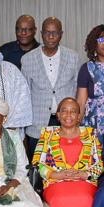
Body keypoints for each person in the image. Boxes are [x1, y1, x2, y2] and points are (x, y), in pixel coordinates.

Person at [32, 98, 104, 207]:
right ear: (57, 114)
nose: (68, 115)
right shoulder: (47, 134)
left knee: (86, 203)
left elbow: (100, 163)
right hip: (56, 182)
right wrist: (57, 175)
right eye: (64, 110)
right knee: (61, 202)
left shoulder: (90, 133)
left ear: (80, 116)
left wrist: (85, 174)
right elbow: (37, 162)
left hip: (84, 182)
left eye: (73, 111)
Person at [21, 16, 82, 157]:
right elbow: (25, 93)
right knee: (39, 168)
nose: (51, 36)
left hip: (67, 121)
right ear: (41, 34)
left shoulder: (73, 57)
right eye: (47, 32)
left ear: (61, 34)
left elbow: (77, 89)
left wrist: (77, 117)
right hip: (38, 124)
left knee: (65, 162)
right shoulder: (28, 59)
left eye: (55, 32)